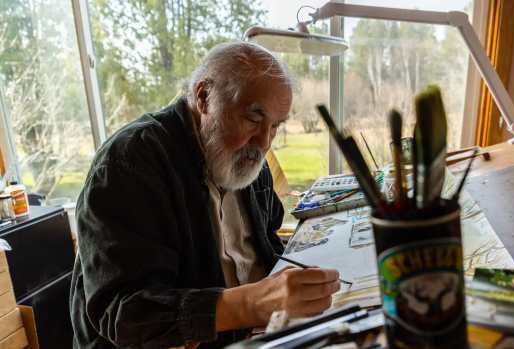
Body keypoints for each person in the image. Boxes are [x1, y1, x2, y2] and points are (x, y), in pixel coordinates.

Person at [70, 42, 341, 349]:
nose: (264, 141)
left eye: (275, 126)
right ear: (203, 97)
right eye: (253, 118)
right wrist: (255, 302)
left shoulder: (249, 159)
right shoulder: (130, 163)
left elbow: (266, 241)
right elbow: (126, 314)